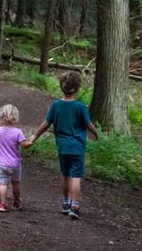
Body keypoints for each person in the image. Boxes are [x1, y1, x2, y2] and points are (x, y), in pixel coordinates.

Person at [27, 71, 98, 220]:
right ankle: (75, 206)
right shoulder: (80, 107)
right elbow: (88, 124)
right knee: (76, 177)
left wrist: (34, 136)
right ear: (77, 88)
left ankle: (65, 203)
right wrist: (96, 134)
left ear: (61, 87)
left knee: (65, 175)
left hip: (62, 147)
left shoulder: (56, 105)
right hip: (77, 147)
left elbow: (46, 123)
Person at [0, 104, 33, 212]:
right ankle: (16, 202)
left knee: (3, 184)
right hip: (15, 164)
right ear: (15, 117)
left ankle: (2, 204)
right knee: (16, 183)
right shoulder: (18, 132)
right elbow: (24, 145)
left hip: (1, 164)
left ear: (0, 116)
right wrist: (30, 142)